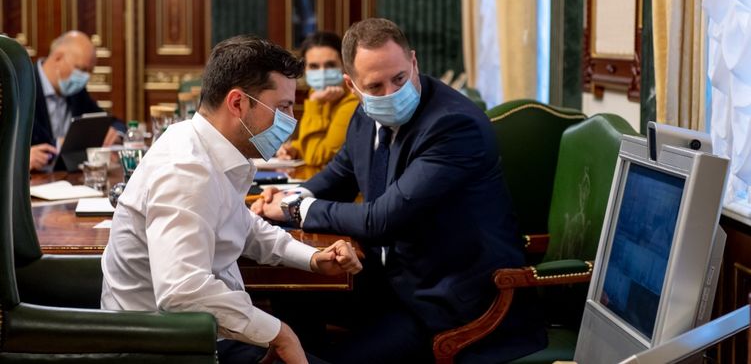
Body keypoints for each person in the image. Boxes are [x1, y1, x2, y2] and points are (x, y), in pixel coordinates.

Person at [253, 18, 545, 363]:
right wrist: (291, 197)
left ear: (414, 63)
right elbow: (340, 174)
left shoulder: (453, 125)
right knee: (292, 294)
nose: (390, 93)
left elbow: (381, 219)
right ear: (352, 86)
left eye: (400, 78)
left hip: (449, 300)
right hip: (392, 282)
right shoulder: (365, 114)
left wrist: (294, 209)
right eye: (375, 86)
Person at [100, 35, 362, 364]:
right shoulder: (186, 170)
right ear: (237, 103)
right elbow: (183, 290)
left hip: (202, 332)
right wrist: (278, 333)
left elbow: (242, 223)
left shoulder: (199, 142)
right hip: (167, 346)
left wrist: (312, 257)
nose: (290, 121)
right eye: (282, 107)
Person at [30, 30, 124, 171]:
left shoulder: (77, 92)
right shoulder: (21, 86)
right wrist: (21, 159)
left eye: (90, 71)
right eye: (81, 69)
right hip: (32, 178)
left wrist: (115, 132)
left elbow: (110, 121)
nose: (85, 78)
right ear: (58, 58)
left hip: (68, 176)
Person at [276, 31, 358, 166]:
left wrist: (314, 103)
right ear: (305, 69)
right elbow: (317, 140)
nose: (322, 72)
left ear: (344, 65)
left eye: (330, 65)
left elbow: (316, 156)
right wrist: (295, 149)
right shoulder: (318, 93)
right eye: (314, 66)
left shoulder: (353, 102)